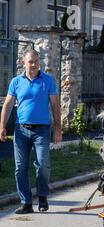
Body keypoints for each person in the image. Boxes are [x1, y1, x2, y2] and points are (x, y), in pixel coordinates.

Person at [0, 49, 62, 214]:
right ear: (23, 62)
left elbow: (55, 106)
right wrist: (2, 126)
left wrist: (57, 129)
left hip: (42, 130)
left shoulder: (47, 81)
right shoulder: (16, 82)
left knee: (42, 165)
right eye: (30, 61)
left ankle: (42, 196)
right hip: (21, 130)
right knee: (20, 168)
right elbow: (7, 105)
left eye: (36, 61)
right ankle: (26, 202)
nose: (34, 64)